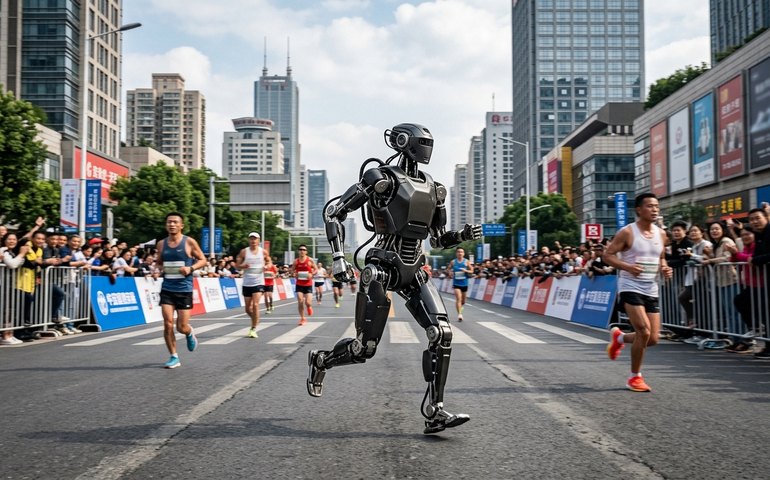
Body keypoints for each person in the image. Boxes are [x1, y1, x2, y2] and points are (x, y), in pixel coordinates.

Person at [306, 123, 482, 434]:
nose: (426, 148)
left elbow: (437, 239)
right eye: (422, 142)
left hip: (415, 269)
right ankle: (322, 360)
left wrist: (462, 236)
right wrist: (338, 258)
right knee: (364, 348)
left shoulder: (435, 188)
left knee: (442, 333)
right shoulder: (380, 178)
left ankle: (435, 410)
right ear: (403, 142)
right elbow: (334, 212)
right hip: (381, 268)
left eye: (429, 142)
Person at [604, 193, 673, 392]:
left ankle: (619, 338)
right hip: (630, 285)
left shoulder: (661, 234)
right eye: (650, 206)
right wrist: (627, 267)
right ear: (639, 210)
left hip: (651, 287)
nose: (655, 210)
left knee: (652, 339)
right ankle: (635, 377)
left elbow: (661, 257)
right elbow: (607, 255)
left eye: (657, 206)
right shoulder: (627, 232)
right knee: (643, 331)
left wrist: (664, 267)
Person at [155, 212, 207, 369]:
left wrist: (190, 268)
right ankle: (174, 356)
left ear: (181, 225)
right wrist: (157, 269)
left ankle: (189, 332)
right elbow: (159, 262)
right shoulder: (161, 244)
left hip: (184, 289)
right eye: (169, 222)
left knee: (181, 326)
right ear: (166, 225)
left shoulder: (189, 242)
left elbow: (203, 260)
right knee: (168, 323)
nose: (172, 224)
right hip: (167, 288)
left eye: (175, 222)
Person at [234, 232, 266, 338]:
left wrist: (267, 266)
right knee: (248, 309)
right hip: (247, 283)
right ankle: (255, 319)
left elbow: (269, 262)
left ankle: (253, 328)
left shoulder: (263, 252)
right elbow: (237, 265)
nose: (253, 241)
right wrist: (243, 266)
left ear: (259, 240)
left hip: (259, 282)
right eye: (251, 239)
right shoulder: (244, 252)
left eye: (255, 239)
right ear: (249, 240)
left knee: (256, 305)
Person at [1, 232, 30, 344]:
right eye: (9, 239)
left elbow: (18, 263)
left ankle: (10, 334)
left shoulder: (12, 252)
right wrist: (21, 254)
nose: (12, 241)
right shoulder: (3, 250)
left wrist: (21, 255)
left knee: (10, 310)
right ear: (4, 240)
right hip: (3, 284)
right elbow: (12, 264)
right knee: (5, 310)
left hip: (10, 284)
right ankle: (5, 335)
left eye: (14, 239)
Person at [290, 245, 316, 326]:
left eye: (304, 250)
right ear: (299, 251)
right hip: (299, 284)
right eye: (300, 249)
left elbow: (316, 269)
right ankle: (302, 318)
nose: (302, 251)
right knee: (300, 301)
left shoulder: (310, 260)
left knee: (308, 302)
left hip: (308, 284)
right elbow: (292, 270)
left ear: (306, 252)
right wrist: (294, 274)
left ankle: (309, 307)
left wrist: (311, 274)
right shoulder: (296, 261)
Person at [448, 247, 473, 321]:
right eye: (458, 252)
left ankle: (460, 309)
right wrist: (450, 273)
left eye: (461, 252)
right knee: (458, 299)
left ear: (463, 253)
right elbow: (448, 269)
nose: (460, 253)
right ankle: (459, 314)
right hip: (456, 283)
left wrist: (466, 271)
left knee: (463, 301)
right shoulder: (453, 262)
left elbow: (472, 270)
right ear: (456, 253)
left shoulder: (466, 261)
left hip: (464, 283)